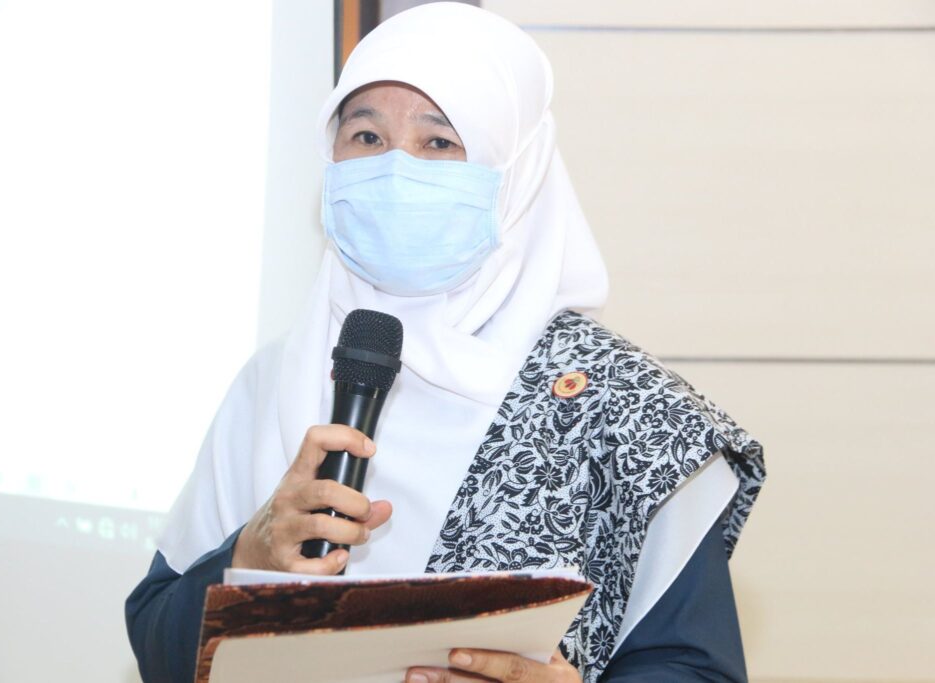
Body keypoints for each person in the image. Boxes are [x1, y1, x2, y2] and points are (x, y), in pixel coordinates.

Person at [126, 4, 765, 682]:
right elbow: (156, 641)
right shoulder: (272, 380)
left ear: (517, 171)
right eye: (366, 135)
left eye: (438, 143)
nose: (396, 169)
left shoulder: (626, 411)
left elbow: (695, 668)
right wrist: (246, 557)